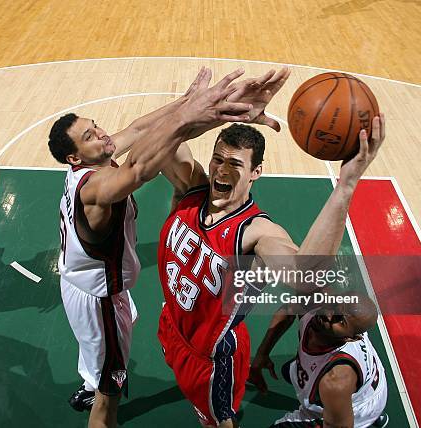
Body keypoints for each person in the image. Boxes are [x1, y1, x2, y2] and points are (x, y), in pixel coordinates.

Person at [157, 66, 386, 427]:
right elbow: (159, 139)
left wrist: (346, 185)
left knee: (217, 422)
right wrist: (198, 111)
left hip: (211, 356)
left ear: (255, 173)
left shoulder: (257, 232)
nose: (221, 171)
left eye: (235, 164)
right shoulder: (192, 188)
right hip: (172, 324)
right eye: (218, 159)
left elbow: (305, 279)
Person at [47, 66, 266, 428]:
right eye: (90, 135)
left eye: (97, 125)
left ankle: (93, 379)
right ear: (75, 156)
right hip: (100, 301)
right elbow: (139, 166)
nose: (102, 134)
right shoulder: (97, 188)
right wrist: (194, 115)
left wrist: (188, 103)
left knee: (95, 358)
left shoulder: (92, 161)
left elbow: (140, 129)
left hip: (78, 284)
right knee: (107, 402)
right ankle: (101, 395)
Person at [249, 295, 389, 428]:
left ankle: (366, 419)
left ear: (351, 338)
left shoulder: (335, 380)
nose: (328, 314)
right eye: (334, 305)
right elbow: (289, 309)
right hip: (368, 386)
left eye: (339, 320)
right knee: (291, 372)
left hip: (355, 411)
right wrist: (262, 353)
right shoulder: (318, 303)